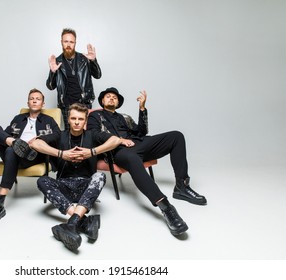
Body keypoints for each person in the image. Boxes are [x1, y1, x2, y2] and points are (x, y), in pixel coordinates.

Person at [87, 87, 208, 236]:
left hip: (139, 144)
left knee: (176, 136)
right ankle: (165, 206)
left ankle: (181, 187)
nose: (111, 98)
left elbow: (141, 132)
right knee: (132, 158)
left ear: (118, 102)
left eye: (115, 97)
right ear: (102, 101)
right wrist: (119, 140)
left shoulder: (125, 117)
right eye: (108, 96)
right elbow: (93, 134)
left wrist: (142, 108)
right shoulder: (95, 116)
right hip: (118, 151)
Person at [29, 103, 121, 251]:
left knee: (100, 176)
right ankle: (84, 220)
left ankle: (70, 224)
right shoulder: (60, 135)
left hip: (85, 188)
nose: (77, 122)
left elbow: (116, 140)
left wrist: (91, 152)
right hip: (63, 187)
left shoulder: (92, 134)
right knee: (42, 180)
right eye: (73, 118)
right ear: (68, 120)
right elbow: (35, 143)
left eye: (80, 119)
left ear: (85, 121)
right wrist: (61, 154)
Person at [0, 88, 61, 230]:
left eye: (38, 99)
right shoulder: (18, 118)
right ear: (28, 102)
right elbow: (4, 133)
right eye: (31, 98)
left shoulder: (48, 120)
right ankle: (15, 143)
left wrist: (40, 138)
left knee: (10, 150)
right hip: (13, 152)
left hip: (32, 155)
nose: (34, 100)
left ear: (43, 104)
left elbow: (58, 135)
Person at [46, 28, 102, 130]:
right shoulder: (57, 61)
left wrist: (93, 61)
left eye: (71, 42)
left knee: (87, 134)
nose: (68, 44)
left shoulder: (84, 58)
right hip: (66, 106)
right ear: (61, 42)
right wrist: (52, 72)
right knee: (69, 136)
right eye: (66, 41)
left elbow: (98, 75)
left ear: (75, 43)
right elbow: (50, 86)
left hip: (84, 103)